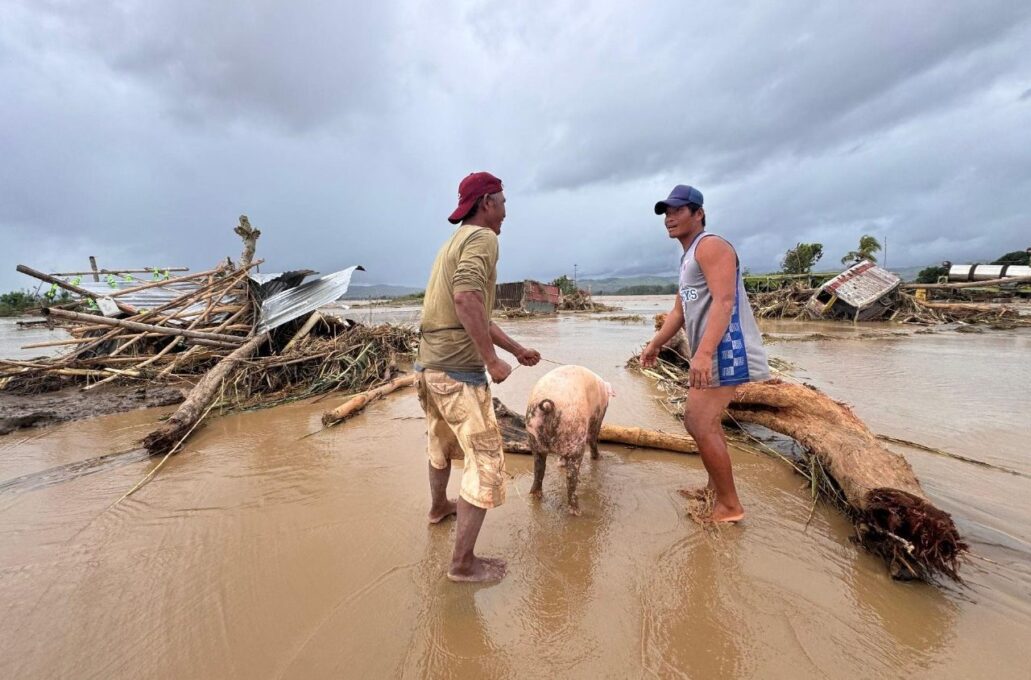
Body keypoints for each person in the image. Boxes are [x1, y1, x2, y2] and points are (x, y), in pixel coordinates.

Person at [416, 171, 541, 582]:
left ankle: (439, 509)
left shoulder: (451, 242)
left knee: (440, 440)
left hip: (430, 367)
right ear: (487, 203)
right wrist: (491, 362)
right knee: (486, 461)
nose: (506, 211)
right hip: (457, 371)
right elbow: (466, 298)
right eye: (503, 202)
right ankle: (463, 564)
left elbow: (475, 313)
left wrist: (516, 350)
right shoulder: (484, 239)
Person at [641, 185, 770, 522]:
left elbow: (725, 301)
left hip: (728, 349)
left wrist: (703, 353)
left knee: (698, 421)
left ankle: (729, 507)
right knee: (703, 422)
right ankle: (716, 492)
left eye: (678, 210)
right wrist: (655, 345)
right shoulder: (688, 256)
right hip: (712, 349)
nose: (670, 218)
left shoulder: (711, 246)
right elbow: (679, 312)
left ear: (698, 213)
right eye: (666, 213)